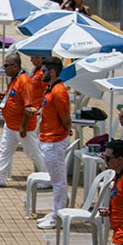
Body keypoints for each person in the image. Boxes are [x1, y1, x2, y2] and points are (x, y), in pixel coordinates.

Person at [0, 53, 46, 187]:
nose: (4, 69)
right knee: (5, 151)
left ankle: (48, 178)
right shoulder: (15, 79)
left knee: (34, 153)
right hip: (10, 125)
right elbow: (14, 97)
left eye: (6, 66)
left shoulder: (24, 81)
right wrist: (4, 96)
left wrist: (23, 126)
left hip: (22, 127)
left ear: (15, 66)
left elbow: (28, 107)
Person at [35, 57, 71, 230]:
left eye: (44, 71)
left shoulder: (59, 92)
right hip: (48, 139)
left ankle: (58, 216)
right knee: (56, 179)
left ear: (53, 72)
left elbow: (65, 118)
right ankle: (57, 210)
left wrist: (66, 130)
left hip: (55, 141)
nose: (41, 74)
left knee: (58, 182)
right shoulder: (50, 89)